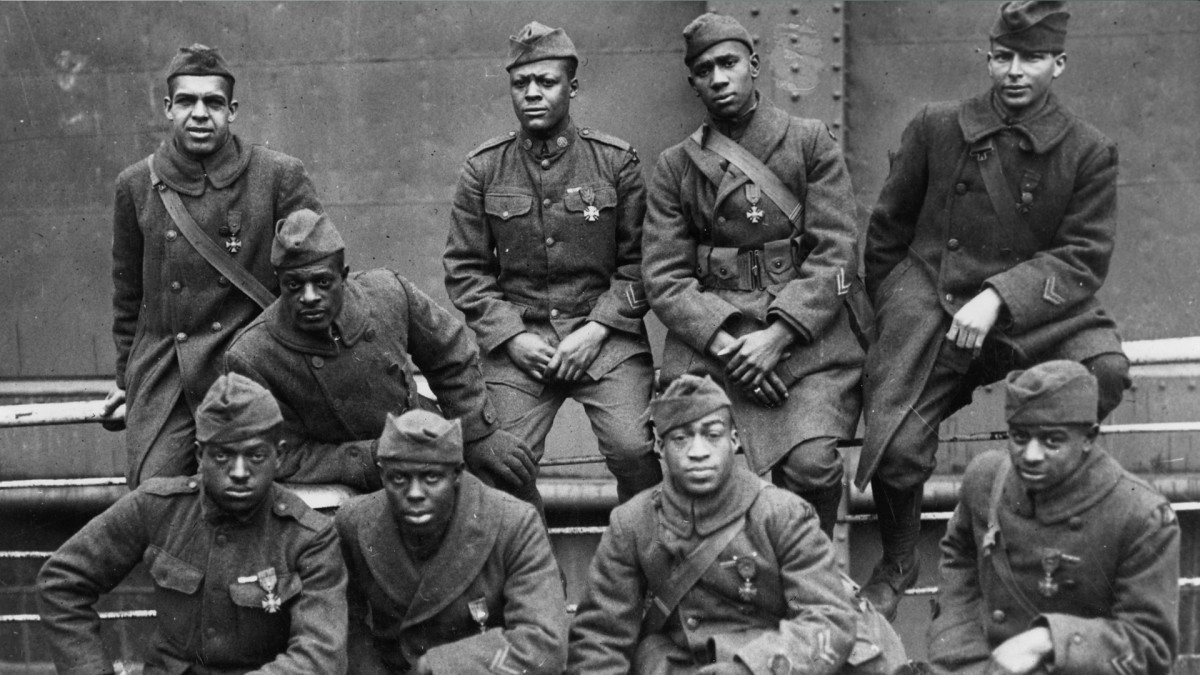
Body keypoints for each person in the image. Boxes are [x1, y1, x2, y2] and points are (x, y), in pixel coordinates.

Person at [856, 0, 1132, 619]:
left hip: (1035, 312)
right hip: (935, 299)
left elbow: (1083, 259)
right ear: (988, 57)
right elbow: (885, 233)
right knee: (896, 450)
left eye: (1031, 58)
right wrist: (899, 315)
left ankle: (1020, 508)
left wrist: (1000, 296)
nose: (1014, 70)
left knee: (1105, 372)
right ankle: (900, 559)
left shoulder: (1087, 149)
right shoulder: (937, 126)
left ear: (1057, 64)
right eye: (1003, 56)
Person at [641, 13, 865, 537]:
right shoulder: (676, 166)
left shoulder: (809, 142)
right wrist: (734, 346)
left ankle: (813, 568)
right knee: (710, 475)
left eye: (728, 63)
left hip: (806, 343)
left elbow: (837, 253)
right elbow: (663, 276)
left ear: (753, 66)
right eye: (704, 70)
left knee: (812, 466)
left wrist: (778, 337)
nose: (719, 78)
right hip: (715, 345)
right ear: (693, 82)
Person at [444, 21, 662, 506]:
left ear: (572, 87)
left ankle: (643, 567)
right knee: (500, 460)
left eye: (546, 82)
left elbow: (642, 264)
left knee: (634, 449)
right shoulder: (483, 169)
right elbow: (466, 270)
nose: (533, 94)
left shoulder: (615, 163)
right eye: (521, 84)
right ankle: (532, 573)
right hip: (521, 340)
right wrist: (513, 337)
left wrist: (598, 329)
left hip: (605, 339)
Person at [567, 374, 905, 675]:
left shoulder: (782, 513)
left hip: (772, 661)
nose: (697, 451)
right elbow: (602, 638)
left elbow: (827, 619)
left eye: (711, 435)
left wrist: (749, 667)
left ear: (734, 440)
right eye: (681, 438)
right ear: (659, 445)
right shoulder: (632, 523)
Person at [102, 44, 323, 488]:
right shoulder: (135, 185)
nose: (200, 114)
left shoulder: (278, 175)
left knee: (256, 488)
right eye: (186, 101)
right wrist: (128, 379)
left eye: (213, 102)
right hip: (169, 376)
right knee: (154, 494)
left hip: (254, 369)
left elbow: (320, 276)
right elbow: (129, 299)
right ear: (168, 107)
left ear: (232, 110)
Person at [38, 373, 348, 674]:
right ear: (200, 456)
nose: (239, 472)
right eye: (223, 456)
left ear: (278, 456)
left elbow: (320, 656)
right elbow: (61, 581)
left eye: (255, 456)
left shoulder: (308, 536)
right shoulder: (157, 507)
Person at [225, 209, 534, 493]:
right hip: (351, 476)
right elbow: (283, 455)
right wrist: (372, 456)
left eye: (322, 282)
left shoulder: (386, 293)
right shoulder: (252, 356)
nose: (309, 297)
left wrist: (477, 434)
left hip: (424, 438)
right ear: (279, 282)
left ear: (343, 276)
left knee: (510, 482)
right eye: (294, 285)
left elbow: (450, 354)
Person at [909, 360, 1178, 674]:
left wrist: (1047, 640)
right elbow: (960, 559)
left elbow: (1152, 646)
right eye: (1020, 437)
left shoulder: (1141, 515)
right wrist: (961, 652)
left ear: (1089, 437)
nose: (1031, 455)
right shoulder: (986, 480)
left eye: (1052, 441)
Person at [335, 409, 568, 674]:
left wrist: (439, 666)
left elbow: (544, 644)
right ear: (383, 474)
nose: (414, 493)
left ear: (456, 474)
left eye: (431, 477)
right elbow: (342, 623)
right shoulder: (354, 522)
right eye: (399, 478)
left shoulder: (514, 523)